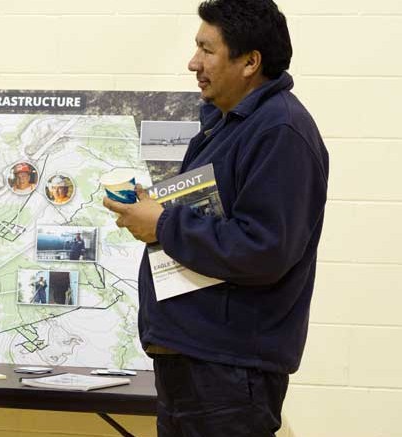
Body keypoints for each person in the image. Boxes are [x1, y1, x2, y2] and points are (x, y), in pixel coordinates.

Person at [103, 1, 328, 436]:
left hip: (227, 376)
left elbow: (264, 249)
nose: (193, 63)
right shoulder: (229, 124)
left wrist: (164, 225)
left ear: (250, 62)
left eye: (207, 50)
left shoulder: (280, 131)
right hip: (197, 366)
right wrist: (157, 213)